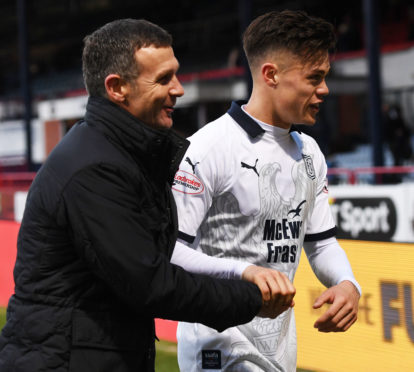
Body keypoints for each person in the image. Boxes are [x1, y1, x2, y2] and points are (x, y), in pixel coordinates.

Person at [0, 19, 296, 372]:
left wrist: (240, 274)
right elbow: (150, 284)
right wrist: (252, 299)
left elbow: (157, 261)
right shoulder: (95, 169)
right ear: (117, 87)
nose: (179, 89)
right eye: (163, 79)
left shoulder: (122, 155)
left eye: (176, 74)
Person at [171, 10, 361, 372]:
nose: (324, 89)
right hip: (218, 349)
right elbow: (173, 252)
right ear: (270, 74)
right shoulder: (207, 148)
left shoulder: (310, 153)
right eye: (314, 78)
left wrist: (347, 282)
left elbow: (320, 243)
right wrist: (243, 272)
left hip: (279, 352)